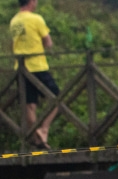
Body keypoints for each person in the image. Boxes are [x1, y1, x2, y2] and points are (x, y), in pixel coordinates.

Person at [10, 0, 59, 149]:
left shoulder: (14, 21)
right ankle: (43, 130)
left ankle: (38, 139)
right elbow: (48, 42)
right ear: (31, 2)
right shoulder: (36, 19)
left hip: (21, 68)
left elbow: (14, 45)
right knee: (57, 98)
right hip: (37, 66)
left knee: (29, 104)